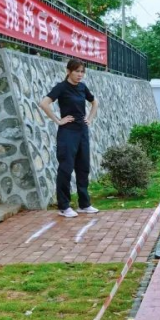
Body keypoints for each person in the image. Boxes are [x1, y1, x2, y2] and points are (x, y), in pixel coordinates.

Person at [39, 59, 100, 218]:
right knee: (66, 168)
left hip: (82, 131)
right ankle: (64, 206)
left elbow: (95, 102)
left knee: (83, 167)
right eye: (77, 71)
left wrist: (90, 119)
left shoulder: (82, 87)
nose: (80, 74)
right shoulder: (61, 87)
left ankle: (84, 204)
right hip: (67, 132)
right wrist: (58, 120)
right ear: (68, 71)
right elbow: (44, 103)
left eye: (82, 71)